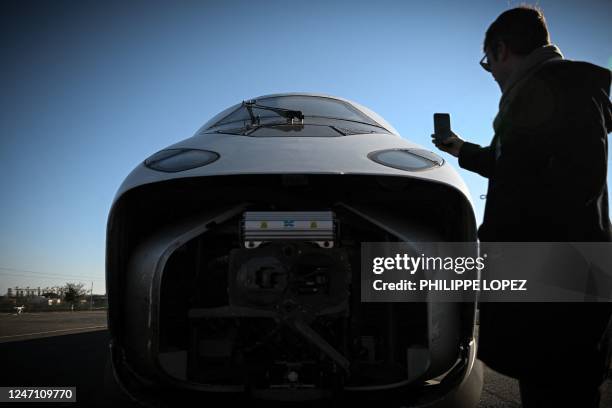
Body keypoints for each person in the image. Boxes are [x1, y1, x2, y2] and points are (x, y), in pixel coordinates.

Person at [431, 6, 612, 407]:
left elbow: (569, 181)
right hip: (561, 279)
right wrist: (460, 149)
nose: (491, 72)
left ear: (502, 49)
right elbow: (515, 164)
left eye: (488, 62)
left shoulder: (555, 89)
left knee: (559, 392)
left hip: (557, 285)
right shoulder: (556, 90)